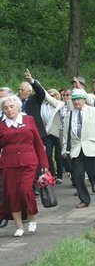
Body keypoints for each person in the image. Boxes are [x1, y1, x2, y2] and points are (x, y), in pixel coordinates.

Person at [0, 95, 50, 237]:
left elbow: (38, 143)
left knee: (25, 190)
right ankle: (19, 226)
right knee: (12, 195)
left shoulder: (28, 120)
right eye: (6, 108)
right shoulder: (1, 125)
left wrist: (44, 163)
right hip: (9, 164)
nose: (9, 110)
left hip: (29, 161)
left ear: (18, 107)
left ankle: (31, 217)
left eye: (12, 107)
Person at [61, 89, 95, 208]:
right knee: (77, 176)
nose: (76, 102)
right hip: (76, 149)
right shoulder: (69, 115)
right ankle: (84, 199)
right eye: (74, 100)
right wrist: (64, 148)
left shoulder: (93, 111)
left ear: (84, 100)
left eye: (79, 99)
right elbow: (66, 134)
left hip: (91, 147)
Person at [41, 88, 65, 184]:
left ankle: (59, 176)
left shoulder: (60, 105)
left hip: (59, 133)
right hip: (47, 133)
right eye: (49, 95)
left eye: (53, 95)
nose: (51, 97)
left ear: (57, 96)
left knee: (59, 155)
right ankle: (52, 174)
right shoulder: (43, 106)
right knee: (48, 154)